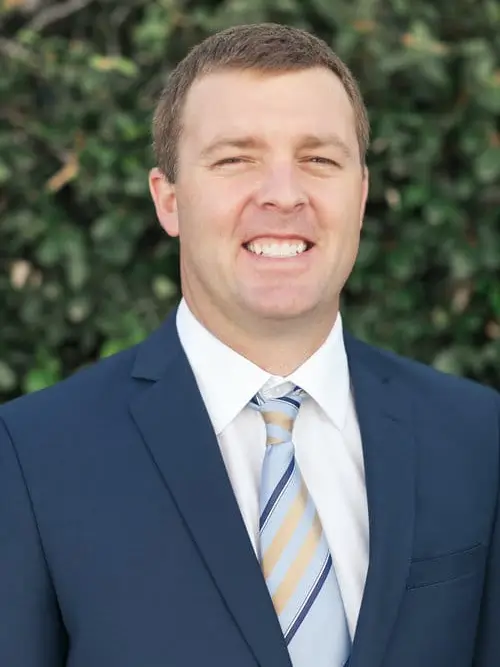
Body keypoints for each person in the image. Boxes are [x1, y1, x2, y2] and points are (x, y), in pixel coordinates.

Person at [0, 22, 498, 667]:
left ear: (362, 193)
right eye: (236, 159)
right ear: (169, 200)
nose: (284, 195)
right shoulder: (31, 456)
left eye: (319, 160)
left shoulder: (478, 436)